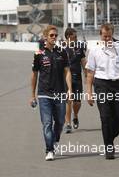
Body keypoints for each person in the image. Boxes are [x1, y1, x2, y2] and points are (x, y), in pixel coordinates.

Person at [86, 23, 119, 159]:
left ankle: (110, 137)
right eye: (105, 37)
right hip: (101, 85)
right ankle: (108, 146)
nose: (107, 39)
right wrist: (89, 92)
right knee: (105, 117)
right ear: (100, 35)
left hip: (117, 86)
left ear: (112, 35)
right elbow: (90, 73)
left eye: (109, 37)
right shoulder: (94, 50)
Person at [30, 25, 72, 161]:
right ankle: (49, 150)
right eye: (52, 35)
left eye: (56, 35)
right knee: (47, 123)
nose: (54, 37)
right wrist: (32, 95)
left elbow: (67, 72)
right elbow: (34, 75)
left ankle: (54, 140)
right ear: (45, 37)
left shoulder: (62, 52)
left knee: (59, 122)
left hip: (60, 93)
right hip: (44, 94)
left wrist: (70, 89)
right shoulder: (39, 54)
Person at [64, 27, 86, 133]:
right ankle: (67, 124)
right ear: (68, 37)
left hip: (77, 77)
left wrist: (87, 76)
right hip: (66, 78)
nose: (76, 38)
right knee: (68, 100)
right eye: (74, 36)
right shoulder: (62, 49)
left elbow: (84, 63)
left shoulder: (79, 48)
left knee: (77, 102)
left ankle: (75, 115)